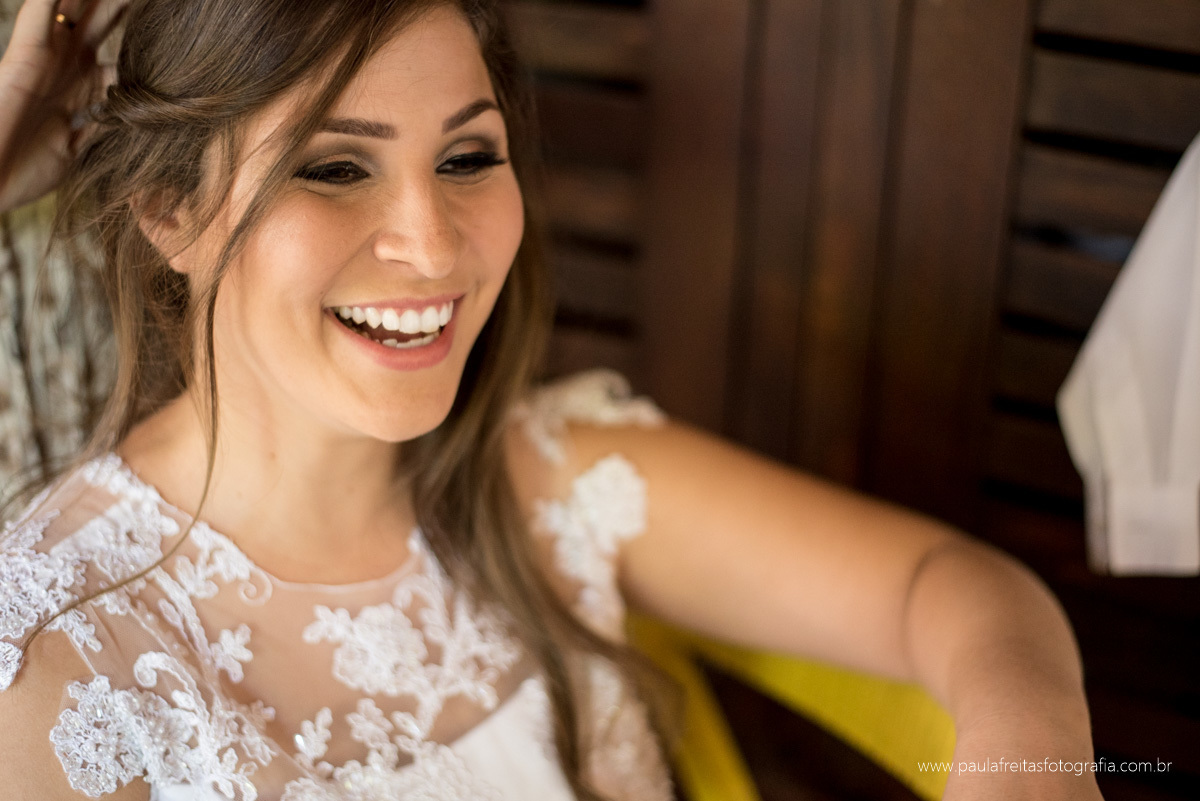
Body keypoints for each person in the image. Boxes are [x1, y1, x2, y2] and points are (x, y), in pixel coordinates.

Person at [0, 0, 1105, 799]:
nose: (431, 246)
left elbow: (951, 588)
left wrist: (1032, 759)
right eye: (334, 168)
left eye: (469, 156)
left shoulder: (551, 475)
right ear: (165, 207)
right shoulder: (54, 667)